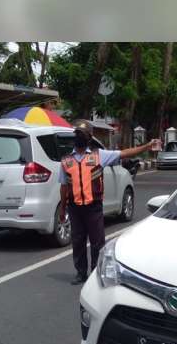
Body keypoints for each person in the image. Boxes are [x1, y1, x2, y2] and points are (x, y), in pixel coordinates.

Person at [58, 119, 157, 285]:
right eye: (77, 134)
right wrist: (63, 209)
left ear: (89, 138)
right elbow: (63, 186)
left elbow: (124, 153)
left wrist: (146, 146)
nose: (78, 137)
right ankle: (80, 273)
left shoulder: (99, 155)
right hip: (75, 208)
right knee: (78, 242)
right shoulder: (66, 161)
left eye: (82, 134)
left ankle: (95, 271)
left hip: (93, 207)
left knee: (97, 242)